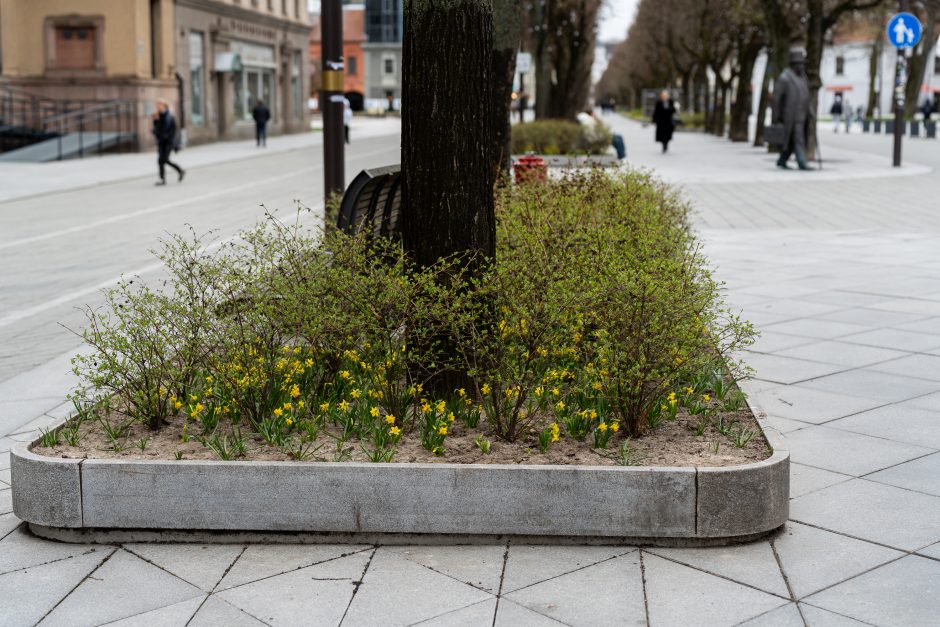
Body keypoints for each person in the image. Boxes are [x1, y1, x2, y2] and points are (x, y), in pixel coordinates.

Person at [772, 49, 813, 170]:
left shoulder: (803, 78)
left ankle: (782, 160)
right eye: (800, 64)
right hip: (790, 117)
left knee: (791, 141)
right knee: (798, 139)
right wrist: (776, 117)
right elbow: (776, 99)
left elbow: (807, 96)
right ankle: (802, 162)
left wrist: (810, 111)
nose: (802, 66)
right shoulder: (785, 78)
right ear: (794, 64)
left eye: (803, 64)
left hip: (802, 116)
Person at [152, 99, 184, 186]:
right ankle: (164, 178)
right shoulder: (157, 116)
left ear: (164, 105)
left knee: (164, 160)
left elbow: (174, 130)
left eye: (160, 104)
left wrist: (172, 141)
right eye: (157, 104)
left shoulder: (169, 115)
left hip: (169, 142)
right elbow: (155, 130)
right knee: (161, 160)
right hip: (161, 142)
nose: (158, 106)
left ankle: (178, 171)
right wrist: (155, 121)